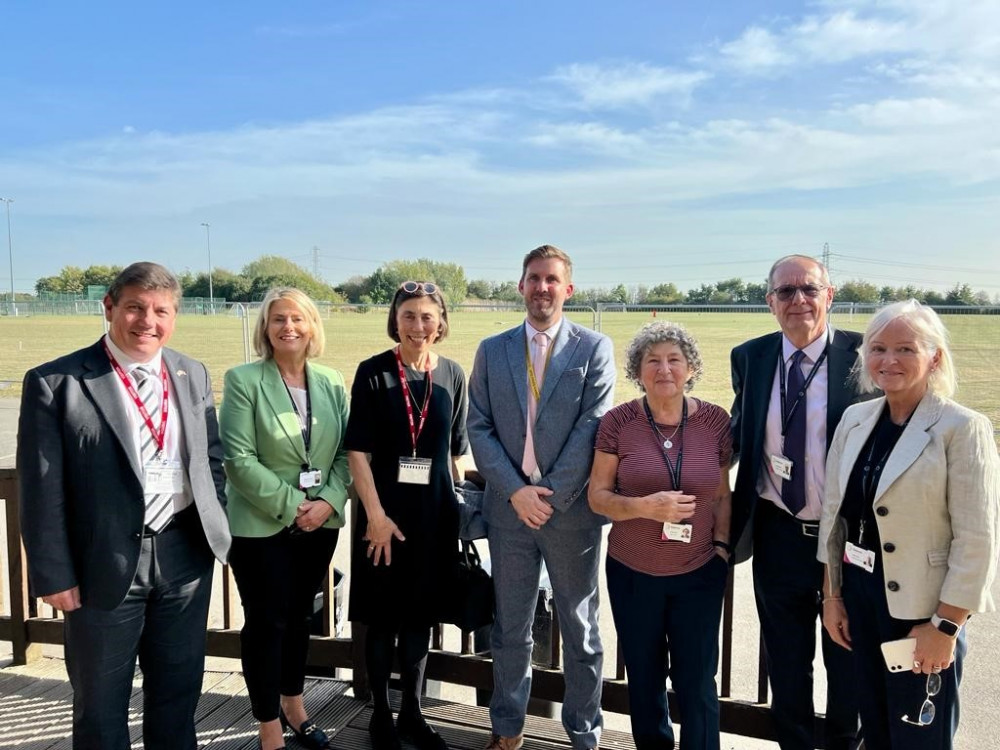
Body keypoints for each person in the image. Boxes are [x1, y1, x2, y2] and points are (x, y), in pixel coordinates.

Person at [16, 262, 232, 750]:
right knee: (100, 705)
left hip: (184, 559)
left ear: (174, 316)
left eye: (160, 310)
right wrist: (54, 575)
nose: (147, 321)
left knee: (178, 695)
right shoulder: (57, 382)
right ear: (109, 306)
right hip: (101, 568)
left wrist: (213, 525)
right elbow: (41, 489)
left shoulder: (191, 372)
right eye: (135, 307)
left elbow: (210, 458)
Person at [819, 300, 1000, 750]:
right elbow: (834, 517)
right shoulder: (855, 419)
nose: (889, 361)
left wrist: (946, 627)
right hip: (861, 599)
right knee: (876, 729)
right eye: (878, 348)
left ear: (934, 356)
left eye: (905, 348)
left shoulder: (962, 428)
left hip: (923, 612)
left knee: (921, 736)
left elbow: (977, 539)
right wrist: (833, 595)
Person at [468, 244, 616, 750]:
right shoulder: (493, 349)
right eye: (534, 278)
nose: (542, 288)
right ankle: (507, 728)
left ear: (568, 289)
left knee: (581, 629)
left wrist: (548, 495)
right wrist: (515, 492)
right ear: (521, 285)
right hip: (510, 513)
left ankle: (584, 733)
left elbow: (594, 427)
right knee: (511, 628)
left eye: (552, 279)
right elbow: (479, 427)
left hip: (570, 512)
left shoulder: (594, 348)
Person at [729, 254, 865, 750]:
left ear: (829, 295)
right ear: (770, 303)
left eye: (809, 289)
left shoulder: (865, 355)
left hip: (848, 539)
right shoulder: (751, 357)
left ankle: (847, 743)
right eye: (785, 292)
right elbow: (738, 433)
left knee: (847, 657)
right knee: (786, 660)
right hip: (778, 533)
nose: (798, 300)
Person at [589, 321, 732, 750]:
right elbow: (597, 496)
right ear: (638, 370)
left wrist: (722, 548)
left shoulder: (715, 422)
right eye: (652, 360)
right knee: (645, 674)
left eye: (674, 360)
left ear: (690, 368)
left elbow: (723, 494)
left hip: (700, 571)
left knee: (697, 677)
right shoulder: (618, 422)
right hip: (633, 572)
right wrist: (643, 508)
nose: (664, 369)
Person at [219, 287, 350, 750]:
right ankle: (267, 724)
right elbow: (238, 459)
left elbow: (346, 456)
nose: (288, 327)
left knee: (298, 620)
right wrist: (296, 505)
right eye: (278, 319)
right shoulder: (244, 380)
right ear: (265, 328)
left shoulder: (333, 381)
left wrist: (329, 502)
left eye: (298, 318)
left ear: (312, 326)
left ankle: (295, 707)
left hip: (320, 526)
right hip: (262, 527)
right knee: (267, 623)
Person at [345, 281, 469, 750]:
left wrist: (461, 510)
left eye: (427, 316)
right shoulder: (374, 373)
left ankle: (413, 712)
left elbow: (454, 454)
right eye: (409, 315)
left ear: (440, 322)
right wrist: (374, 516)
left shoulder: (454, 374)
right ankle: (380, 711)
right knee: (382, 618)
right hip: (384, 519)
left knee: (420, 619)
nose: (419, 325)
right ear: (395, 320)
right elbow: (358, 452)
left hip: (434, 520)